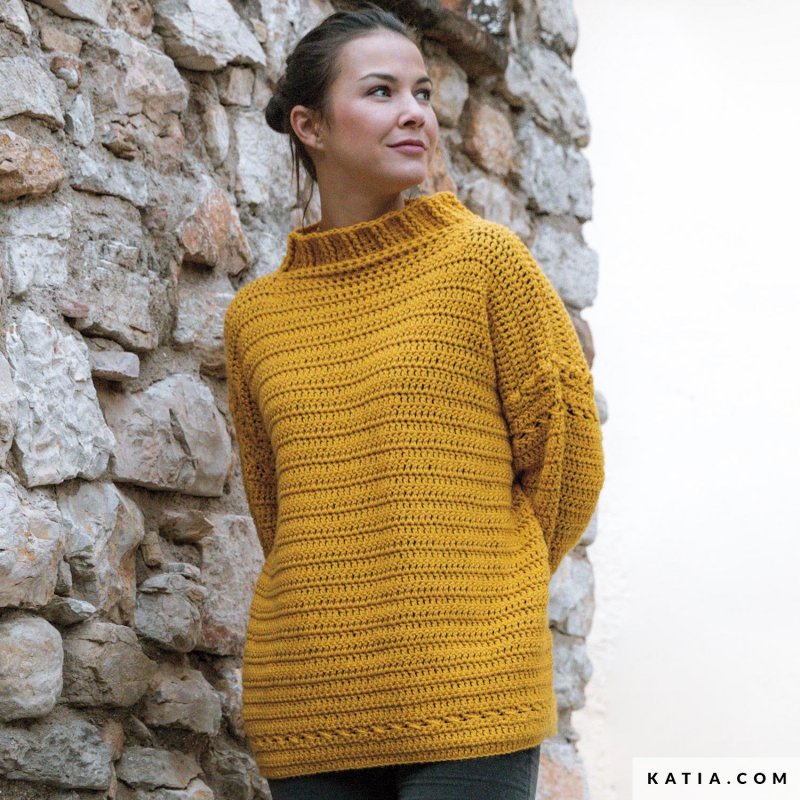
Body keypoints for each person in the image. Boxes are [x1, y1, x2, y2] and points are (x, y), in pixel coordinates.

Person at [222, 4, 605, 799]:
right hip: (311, 701)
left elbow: (569, 462)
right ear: (309, 125)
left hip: (470, 691)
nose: (414, 113)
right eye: (381, 91)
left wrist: (477, 586)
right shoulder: (257, 318)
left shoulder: (484, 263)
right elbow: (278, 512)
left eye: (422, 93)